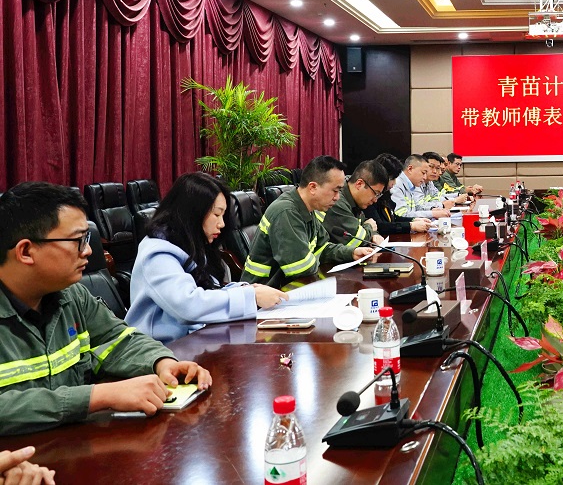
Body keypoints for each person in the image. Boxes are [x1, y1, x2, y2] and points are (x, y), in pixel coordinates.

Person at [0, 183, 211, 436]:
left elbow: (119, 339)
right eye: (78, 240)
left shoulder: (72, 296)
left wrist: (161, 362)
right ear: (25, 251)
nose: (88, 250)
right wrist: (97, 397)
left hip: (71, 447)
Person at [125, 173, 288, 344]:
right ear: (193, 212)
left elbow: (208, 290)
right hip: (163, 350)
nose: (222, 224)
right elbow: (188, 306)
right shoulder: (157, 253)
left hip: (195, 342)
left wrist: (245, 289)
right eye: (216, 214)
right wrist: (250, 297)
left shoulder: (190, 244)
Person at [241, 155, 367, 286]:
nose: (337, 197)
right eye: (335, 191)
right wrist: (316, 259)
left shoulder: (308, 209)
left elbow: (322, 248)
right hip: (265, 291)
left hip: (290, 287)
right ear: (312, 187)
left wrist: (351, 252)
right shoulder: (286, 211)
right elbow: (301, 268)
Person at [322, 160, 387, 259]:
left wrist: (373, 235)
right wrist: (370, 227)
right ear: (359, 184)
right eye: (375, 193)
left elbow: (363, 224)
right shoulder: (337, 201)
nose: (375, 200)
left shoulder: (354, 199)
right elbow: (356, 240)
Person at [365, 154, 432, 236]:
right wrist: (411, 226)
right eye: (393, 179)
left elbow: (393, 218)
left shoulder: (385, 195)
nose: (395, 183)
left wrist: (413, 220)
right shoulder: (371, 197)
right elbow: (381, 226)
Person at [391, 155, 450, 220]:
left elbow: (416, 208)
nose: (425, 177)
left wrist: (433, 209)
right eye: (423, 173)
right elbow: (401, 215)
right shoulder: (396, 185)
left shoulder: (411, 184)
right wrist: (432, 213)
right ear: (410, 169)